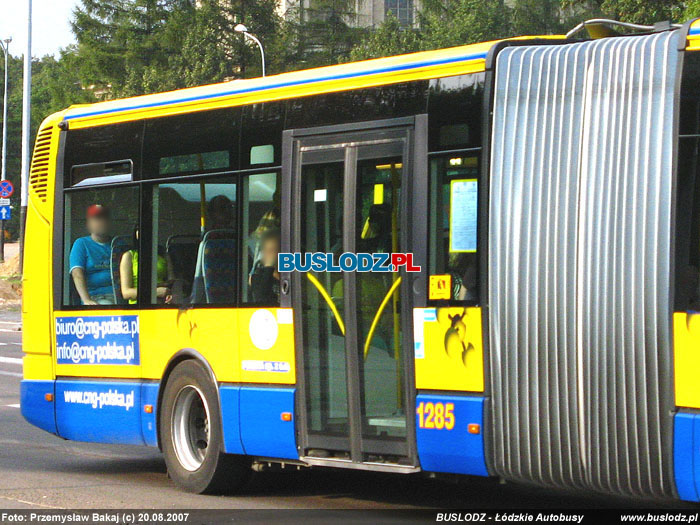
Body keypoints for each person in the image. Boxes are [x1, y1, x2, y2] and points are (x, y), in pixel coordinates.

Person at [69, 204, 114, 305]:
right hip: (96, 297)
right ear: (88, 224)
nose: (102, 222)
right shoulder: (81, 244)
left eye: (105, 218)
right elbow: (77, 273)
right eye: (97, 219)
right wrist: (86, 300)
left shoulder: (117, 243)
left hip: (120, 295)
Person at [120, 224, 171, 304]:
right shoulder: (129, 256)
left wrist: (172, 294)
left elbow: (172, 281)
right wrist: (155, 292)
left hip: (164, 302)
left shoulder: (163, 254)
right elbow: (126, 293)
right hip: (139, 305)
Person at [250, 229, 280, 305]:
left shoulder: (290, 274)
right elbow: (261, 298)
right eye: (266, 250)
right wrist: (268, 268)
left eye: (272, 250)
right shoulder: (257, 277)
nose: (269, 254)